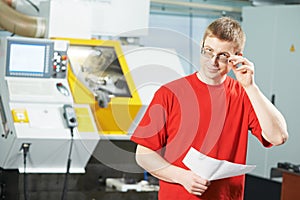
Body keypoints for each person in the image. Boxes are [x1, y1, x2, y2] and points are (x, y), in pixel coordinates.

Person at [130, 17, 288, 200]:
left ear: (237, 57)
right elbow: (144, 155)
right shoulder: (170, 93)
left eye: (222, 56)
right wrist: (182, 177)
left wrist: (251, 87)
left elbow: (278, 137)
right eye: (208, 51)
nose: (212, 61)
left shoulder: (244, 95)